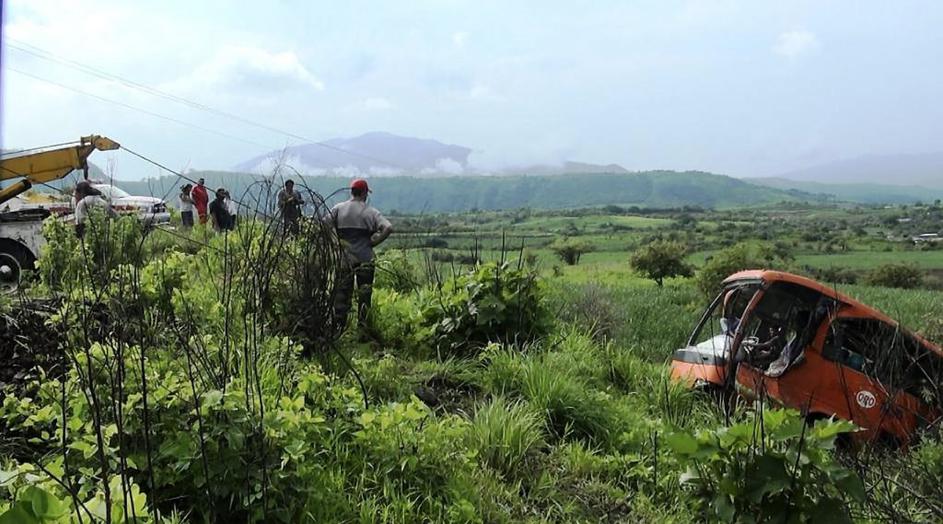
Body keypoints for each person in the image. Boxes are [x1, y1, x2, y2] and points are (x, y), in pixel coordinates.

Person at [330, 178, 393, 328]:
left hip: (344, 259)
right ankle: (363, 327)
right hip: (365, 258)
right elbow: (388, 227)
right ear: (364, 193)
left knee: (342, 295)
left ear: (351, 192)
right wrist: (374, 243)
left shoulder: (338, 209)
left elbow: (324, 225)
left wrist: (335, 242)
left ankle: (339, 327)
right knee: (364, 295)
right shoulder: (371, 212)